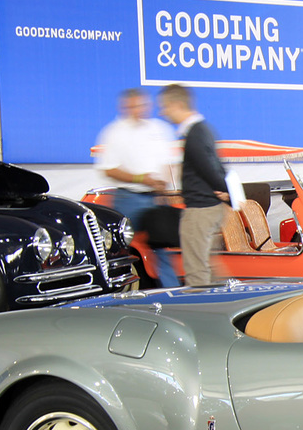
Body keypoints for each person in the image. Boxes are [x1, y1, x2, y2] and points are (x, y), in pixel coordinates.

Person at [94, 89, 180, 287]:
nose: (138, 110)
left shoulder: (160, 129)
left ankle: (172, 294)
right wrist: (141, 178)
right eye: (132, 106)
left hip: (155, 198)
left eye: (141, 105)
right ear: (124, 107)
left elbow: (170, 162)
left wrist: (163, 187)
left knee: (161, 248)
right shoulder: (114, 133)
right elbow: (109, 169)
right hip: (127, 199)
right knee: (117, 249)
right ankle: (113, 290)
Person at [156, 84, 229, 286]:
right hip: (208, 208)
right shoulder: (203, 130)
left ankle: (202, 312)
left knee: (197, 271)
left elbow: (209, 169)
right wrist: (226, 191)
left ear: (178, 104)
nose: (163, 112)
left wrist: (226, 190)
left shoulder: (195, 134)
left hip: (199, 210)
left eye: (165, 107)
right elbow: (216, 168)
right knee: (207, 266)